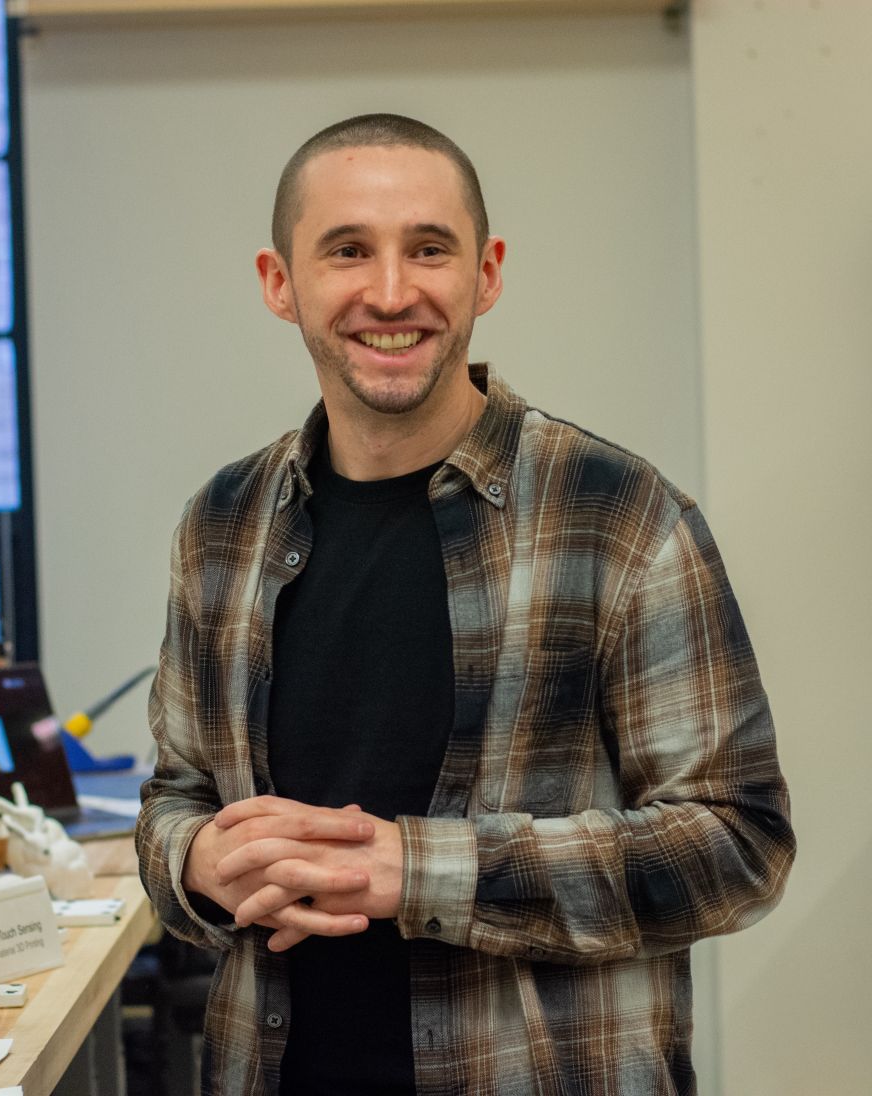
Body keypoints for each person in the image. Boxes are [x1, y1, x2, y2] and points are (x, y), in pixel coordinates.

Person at [135, 113, 794, 1096]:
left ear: (484, 273)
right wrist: (194, 863)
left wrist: (423, 871)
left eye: (428, 250)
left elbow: (736, 844)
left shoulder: (616, 516)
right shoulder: (221, 524)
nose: (391, 292)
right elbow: (174, 801)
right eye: (347, 250)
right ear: (282, 284)